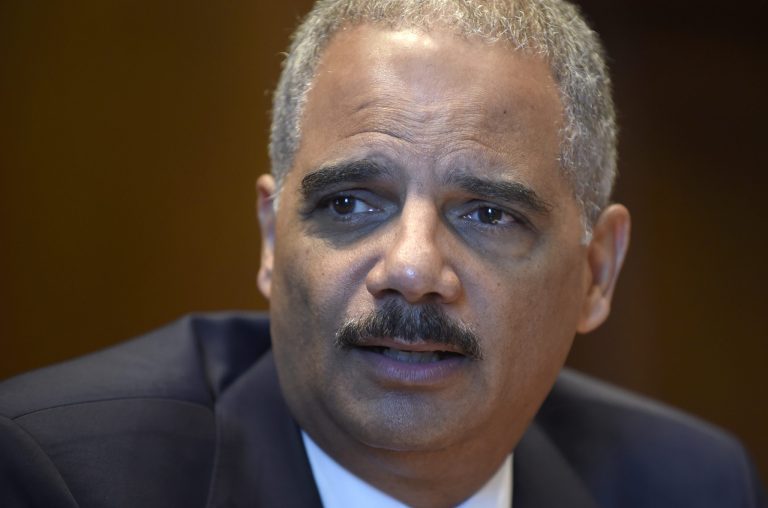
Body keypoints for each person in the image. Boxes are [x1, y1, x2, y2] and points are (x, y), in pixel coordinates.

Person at [0, 0, 764, 507]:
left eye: (489, 214)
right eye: (350, 203)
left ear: (597, 272)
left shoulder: (688, 485)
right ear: (272, 238)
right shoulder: (59, 476)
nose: (410, 268)